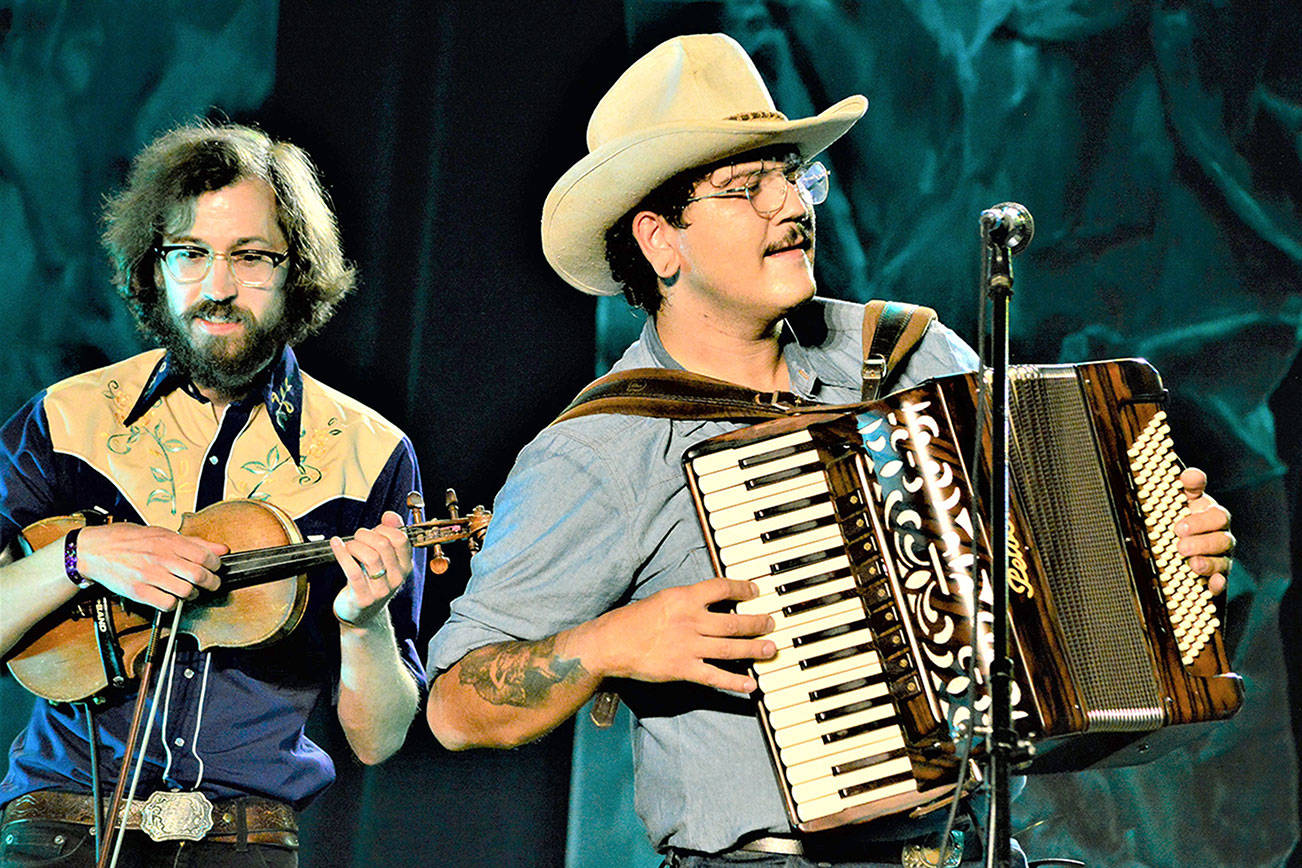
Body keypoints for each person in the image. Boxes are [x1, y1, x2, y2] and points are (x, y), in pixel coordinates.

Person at [424, 34, 1235, 867]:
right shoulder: (601, 449)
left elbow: (1044, 579)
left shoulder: (908, 355)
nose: (791, 206)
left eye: (794, 176)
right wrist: (610, 643)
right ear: (660, 242)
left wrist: (1155, 564)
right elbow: (455, 703)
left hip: (965, 849)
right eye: (747, 188)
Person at [0, 121, 426, 866]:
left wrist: (364, 625)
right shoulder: (64, 420)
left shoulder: (372, 454)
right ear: (153, 265)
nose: (218, 287)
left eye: (251, 257)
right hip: (60, 824)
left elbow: (378, 736)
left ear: (299, 269)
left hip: (243, 843)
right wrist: (76, 554)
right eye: (190, 254)